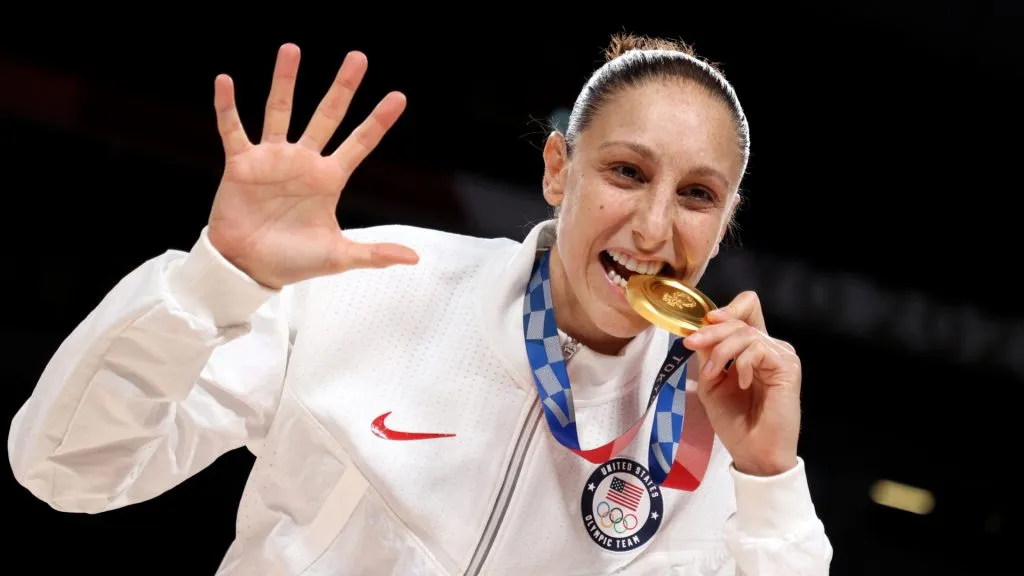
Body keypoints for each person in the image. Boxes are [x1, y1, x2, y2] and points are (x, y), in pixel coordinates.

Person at [8, 33, 833, 574]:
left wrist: (769, 480)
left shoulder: (717, 424)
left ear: (724, 222)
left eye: (696, 194)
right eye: (627, 172)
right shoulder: (369, 288)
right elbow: (67, 469)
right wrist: (216, 280)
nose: (653, 227)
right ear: (558, 170)